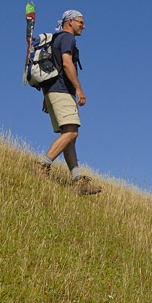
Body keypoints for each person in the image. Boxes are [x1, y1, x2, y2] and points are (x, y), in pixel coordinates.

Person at [33, 10, 101, 195]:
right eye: (81, 22)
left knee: (69, 136)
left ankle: (77, 181)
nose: (83, 26)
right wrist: (79, 89)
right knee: (71, 133)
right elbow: (66, 63)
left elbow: (50, 69)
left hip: (54, 92)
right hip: (62, 92)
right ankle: (42, 165)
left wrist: (47, 97)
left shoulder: (57, 39)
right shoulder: (67, 39)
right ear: (70, 22)